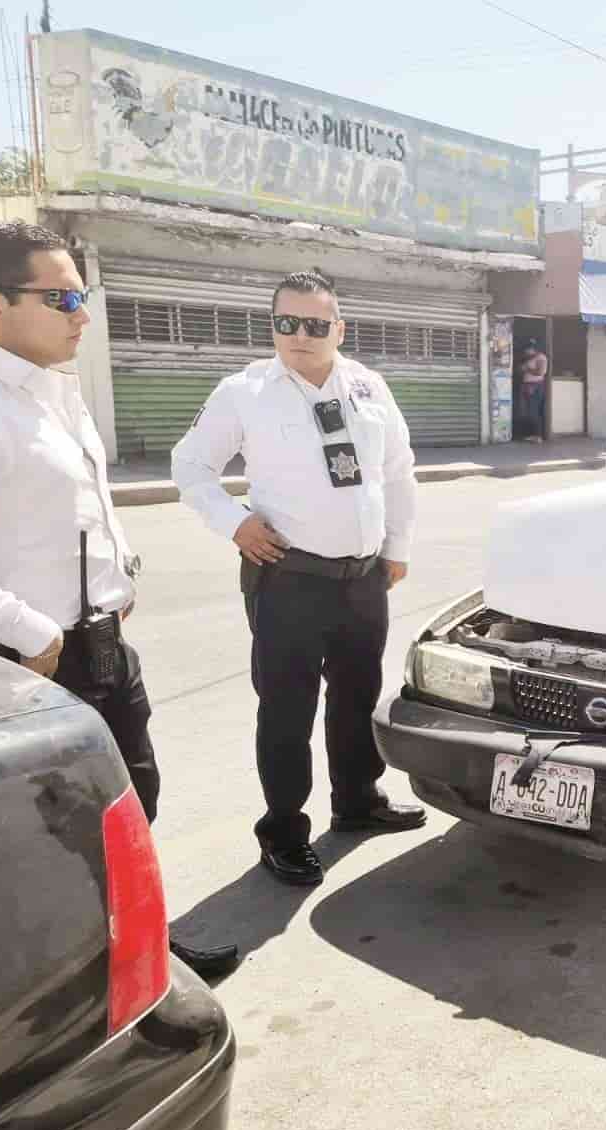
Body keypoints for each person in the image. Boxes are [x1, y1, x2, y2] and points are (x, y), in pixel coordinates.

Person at [0, 220, 237, 979]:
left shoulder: (52, 387)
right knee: (46, 837)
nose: (83, 314)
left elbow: (81, 508)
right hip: (27, 665)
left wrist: (121, 577)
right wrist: (30, 629)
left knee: (127, 802)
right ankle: (66, 985)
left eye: (85, 294)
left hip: (104, 642)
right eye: (64, 296)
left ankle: (137, 950)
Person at [171, 269, 423, 888]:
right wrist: (234, 523)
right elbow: (190, 465)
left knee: (358, 693)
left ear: (337, 328)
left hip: (363, 579)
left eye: (315, 325)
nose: (300, 336)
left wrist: (397, 547)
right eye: (287, 323)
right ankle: (284, 830)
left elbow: (397, 471)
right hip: (288, 578)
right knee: (286, 707)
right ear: (273, 325)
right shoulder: (244, 391)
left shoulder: (368, 385)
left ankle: (357, 801)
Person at [519, 339, 548, 444]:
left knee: (534, 411)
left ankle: (538, 436)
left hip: (535, 387)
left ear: (534, 349)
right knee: (529, 412)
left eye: (528, 349)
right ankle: (532, 435)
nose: (526, 351)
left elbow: (540, 372)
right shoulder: (530, 358)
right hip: (528, 386)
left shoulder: (541, 358)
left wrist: (526, 369)